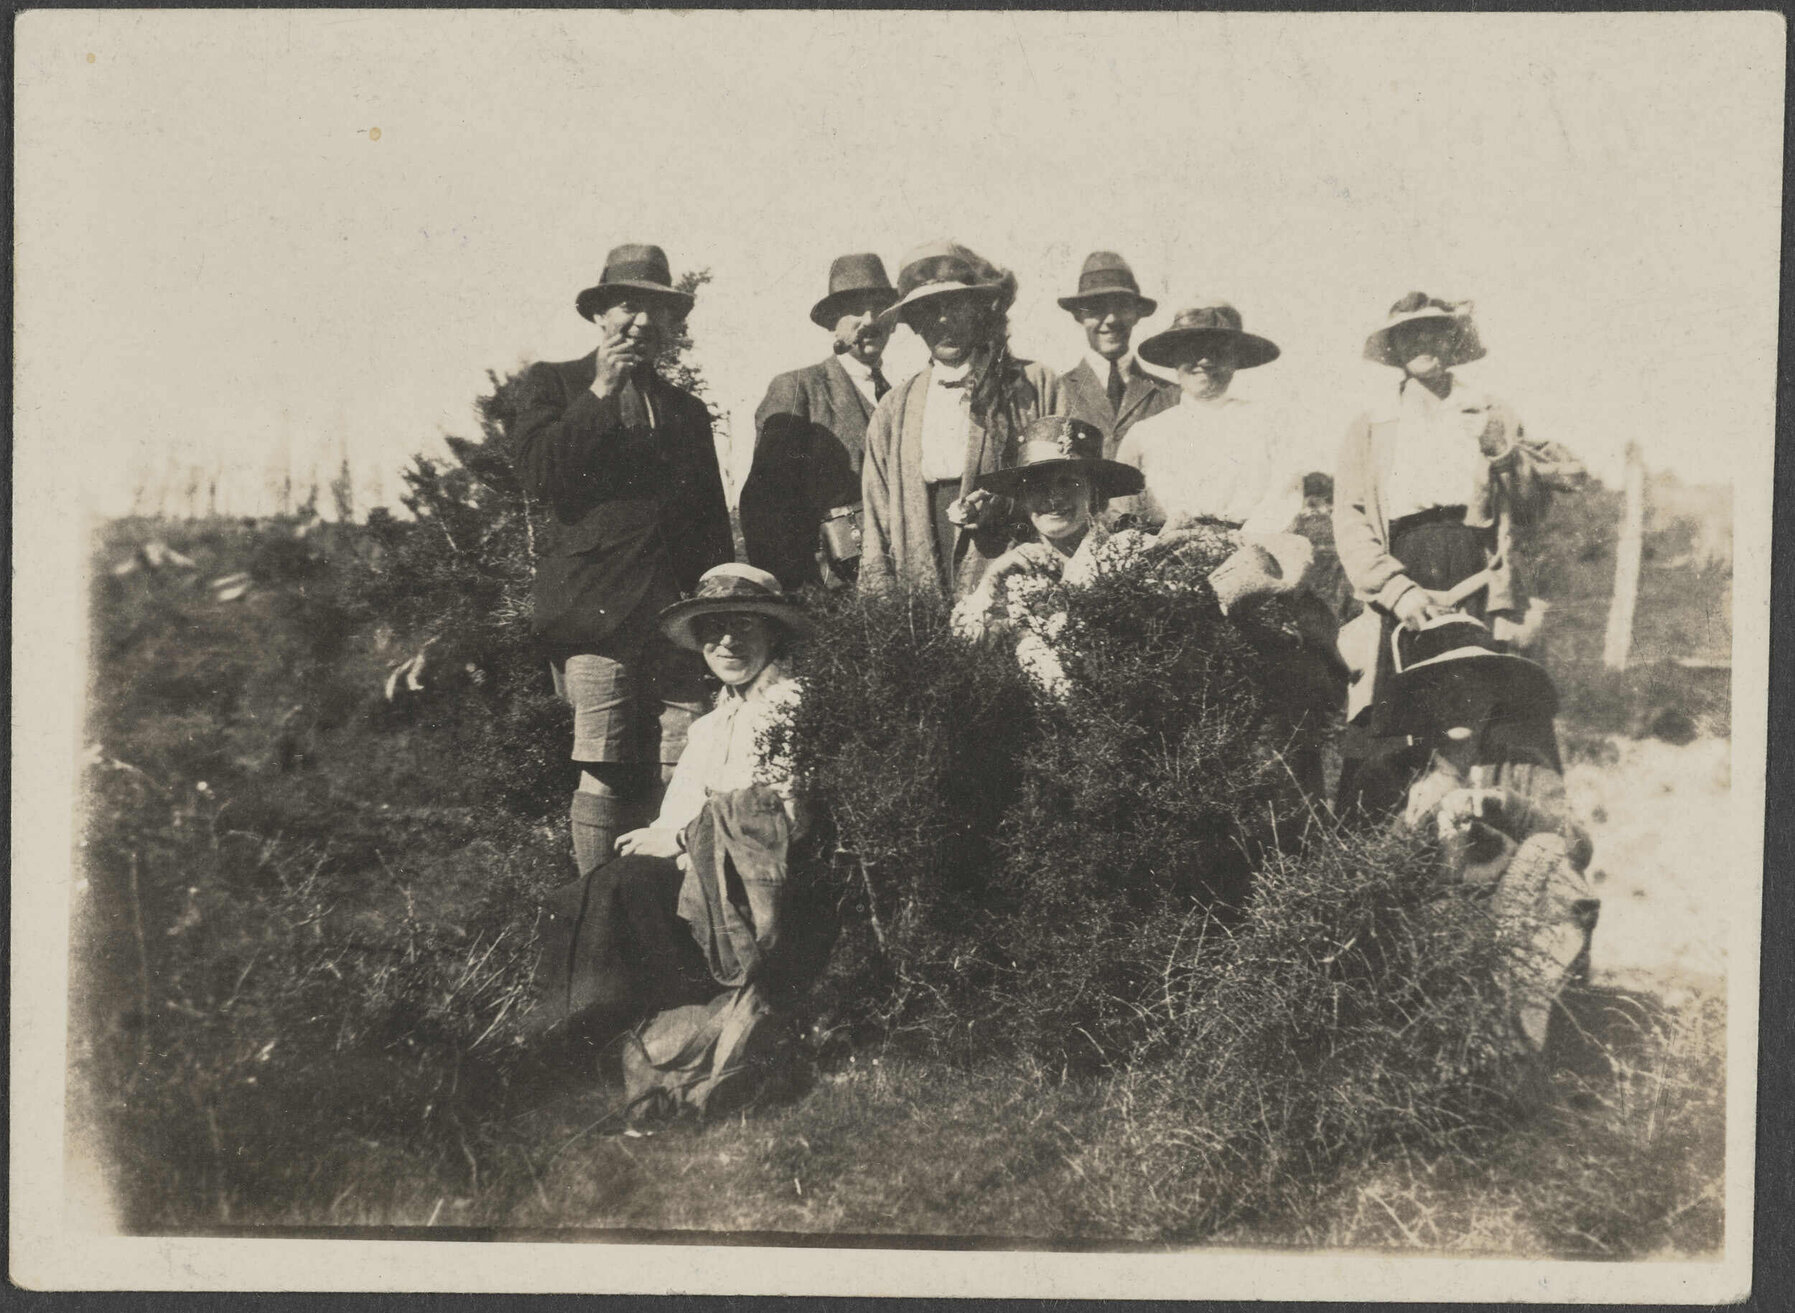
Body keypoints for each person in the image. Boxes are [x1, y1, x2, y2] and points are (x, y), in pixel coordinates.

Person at [507, 244, 735, 875]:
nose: (640, 323)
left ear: (669, 326)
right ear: (600, 314)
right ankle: (598, 922)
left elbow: (710, 520)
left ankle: (666, 923)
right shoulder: (553, 383)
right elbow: (540, 475)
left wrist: (713, 610)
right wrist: (603, 388)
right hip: (595, 615)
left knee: (682, 770)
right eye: (627, 306)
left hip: (677, 623)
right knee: (603, 769)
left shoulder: (685, 411)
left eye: (655, 311)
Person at [531, 564, 816, 1046]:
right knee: (586, 891)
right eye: (712, 629)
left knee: (625, 882)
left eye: (744, 625)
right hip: (701, 885)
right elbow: (671, 820)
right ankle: (574, 1031)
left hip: (756, 897)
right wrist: (668, 840)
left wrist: (680, 839)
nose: (726, 641)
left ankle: (575, 1039)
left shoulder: (790, 704)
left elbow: (779, 818)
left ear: (773, 633)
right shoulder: (709, 726)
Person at [1332, 292, 1586, 810]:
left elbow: (1531, 508)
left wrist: (1505, 456)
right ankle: (1386, 858)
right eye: (1408, 334)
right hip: (1402, 577)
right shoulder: (1371, 424)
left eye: (1433, 331)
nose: (1421, 343)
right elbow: (1351, 517)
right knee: (1392, 716)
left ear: (1453, 340)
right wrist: (1394, 589)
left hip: (1479, 574)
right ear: (1394, 347)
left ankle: (1495, 847)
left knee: (1492, 712)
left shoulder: (1492, 412)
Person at [858, 241, 1074, 598]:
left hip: (1014, 576)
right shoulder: (893, 410)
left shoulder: (1034, 385)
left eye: (955, 305)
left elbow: (1069, 486)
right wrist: (881, 613)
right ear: (912, 322)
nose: (943, 319)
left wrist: (1005, 504)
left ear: (977, 308)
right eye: (928, 309)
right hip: (922, 577)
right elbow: (877, 522)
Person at [739, 254, 900, 591]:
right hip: (828, 596)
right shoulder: (799, 389)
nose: (870, 320)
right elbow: (764, 508)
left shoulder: (902, 399)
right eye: (856, 309)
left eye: (880, 308)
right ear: (832, 323)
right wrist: (799, 594)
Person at [1113, 299, 1302, 534]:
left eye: (1218, 351)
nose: (1204, 361)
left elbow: (1284, 501)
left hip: (1247, 551)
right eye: (1193, 348)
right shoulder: (1144, 434)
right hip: (1160, 555)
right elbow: (1120, 508)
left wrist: (1238, 544)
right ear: (1174, 357)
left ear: (1236, 359)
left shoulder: (1268, 423)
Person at [1054, 252, 1179, 457]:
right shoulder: (1056, 392)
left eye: (1122, 307)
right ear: (1079, 316)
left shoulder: (1171, 396)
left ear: (1137, 314)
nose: (1111, 319)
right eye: (1096, 308)